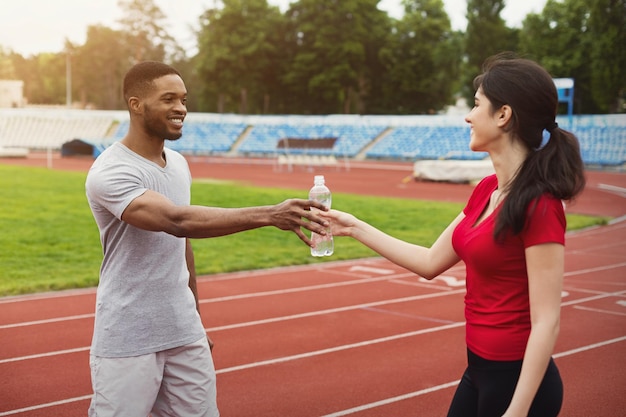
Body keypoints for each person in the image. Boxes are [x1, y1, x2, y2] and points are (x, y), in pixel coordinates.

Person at [321, 53, 585, 417]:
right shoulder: (487, 190)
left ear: (503, 115)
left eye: (476, 105)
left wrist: (518, 411)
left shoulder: (539, 204)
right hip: (478, 370)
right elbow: (430, 262)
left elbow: (546, 321)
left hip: (518, 385)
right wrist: (352, 227)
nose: (468, 115)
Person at [85, 61, 329, 417]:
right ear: (136, 104)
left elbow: (181, 245)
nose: (181, 109)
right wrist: (269, 214)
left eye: (183, 99)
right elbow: (176, 221)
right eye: (168, 99)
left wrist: (195, 317)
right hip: (129, 334)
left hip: (184, 330)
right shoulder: (112, 171)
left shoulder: (179, 163)